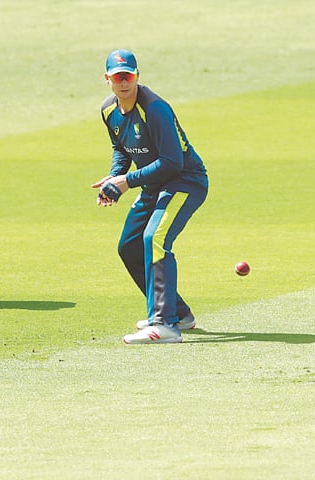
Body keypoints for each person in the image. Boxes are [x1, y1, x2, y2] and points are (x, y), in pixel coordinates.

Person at [92, 49, 209, 344]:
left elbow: (173, 162)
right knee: (129, 246)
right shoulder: (109, 111)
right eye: (117, 77)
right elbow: (121, 148)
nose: (124, 82)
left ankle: (165, 323)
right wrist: (115, 177)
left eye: (128, 76)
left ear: (137, 76)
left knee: (154, 238)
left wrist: (126, 182)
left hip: (186, 181)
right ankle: (178, 313)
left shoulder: (154, 109)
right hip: (153, 184)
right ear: (106, 79)